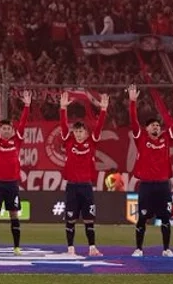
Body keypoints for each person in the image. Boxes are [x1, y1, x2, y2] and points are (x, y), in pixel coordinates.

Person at [127, 84, 173, 258]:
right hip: (146, 185)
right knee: (142, 218)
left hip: (163, 185)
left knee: (166, 218)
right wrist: (132, 102)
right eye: (152, 125)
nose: (156, 127)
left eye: (157, 125)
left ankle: (166, 249)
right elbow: (133, 122)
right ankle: (138, 249)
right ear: (146, 129)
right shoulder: (141, 138)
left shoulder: (166, 138)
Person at [59, 91, 108, 257]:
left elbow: (99, 126)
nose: (79, 134)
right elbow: (63, 125)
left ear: (86, 133)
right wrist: (63, 109)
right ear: (73, 133)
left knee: (89, 219)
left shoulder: (91, 142)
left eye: (81, 131)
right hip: (72, 186)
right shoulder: (68, 142)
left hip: (86, 187)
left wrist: (103, 110)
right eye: (76, 131)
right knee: (70, 219)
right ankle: (70, 249)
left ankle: (92, 248)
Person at [0, 88, 30, 255]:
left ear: (12, 130)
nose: (6, 131)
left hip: (12, 184)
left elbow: (23, 123)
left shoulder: (16, 141)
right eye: (3, 128)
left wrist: (27, 106)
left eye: (8, 128)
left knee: (14, 215)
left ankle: (16, 247)